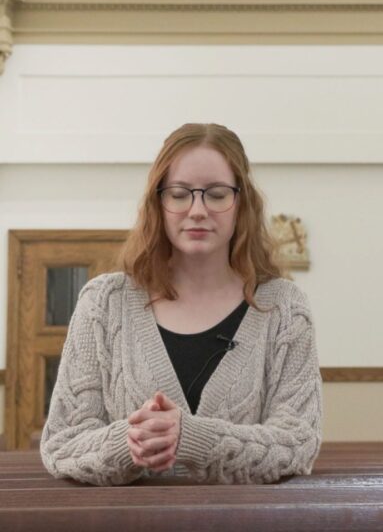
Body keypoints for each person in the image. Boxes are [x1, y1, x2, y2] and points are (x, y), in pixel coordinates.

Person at [40, 123, 323, 485]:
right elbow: (63, 444)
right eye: (179, 194)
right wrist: (128, 443)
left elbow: (297, 443)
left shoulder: (284, 308)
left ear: (242, 204)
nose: (198, 209)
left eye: (217, 194)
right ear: (159, 202)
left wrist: (193, 438)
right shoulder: (103, 304)